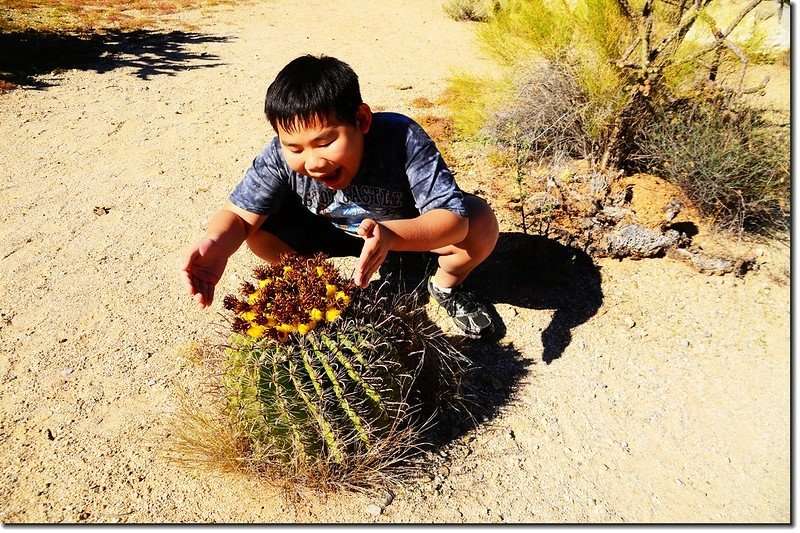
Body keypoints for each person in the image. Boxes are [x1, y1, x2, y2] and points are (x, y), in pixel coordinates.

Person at [179, 54, 499, 337]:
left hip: (406, 231)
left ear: (361, 120)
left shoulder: (400, 137)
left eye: (325, 142)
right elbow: (237, 215)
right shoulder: (277, 156)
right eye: (295, 148)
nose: (314, 162)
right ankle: (316, 288)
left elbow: (453, 221)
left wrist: (389, 235)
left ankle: (445, 287)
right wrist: (218, 244)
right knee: (259, 230)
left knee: (479, 221)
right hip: (334, 231)